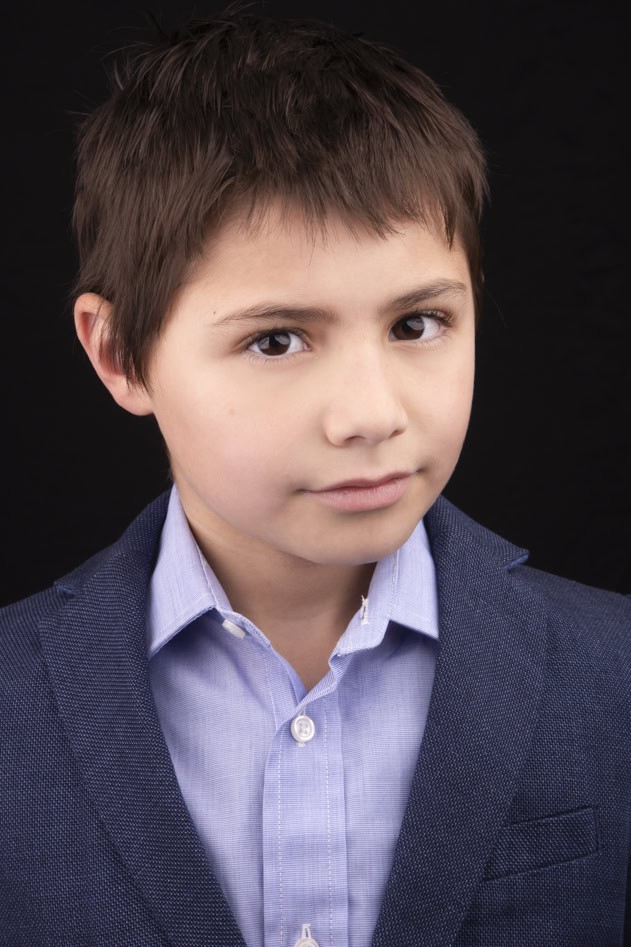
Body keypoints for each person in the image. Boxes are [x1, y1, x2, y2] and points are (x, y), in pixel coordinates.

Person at [1, 4, 629, 946]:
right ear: (120, 354)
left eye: (416, 323)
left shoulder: (612, 670)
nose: (371, 413)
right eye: (277, 339)